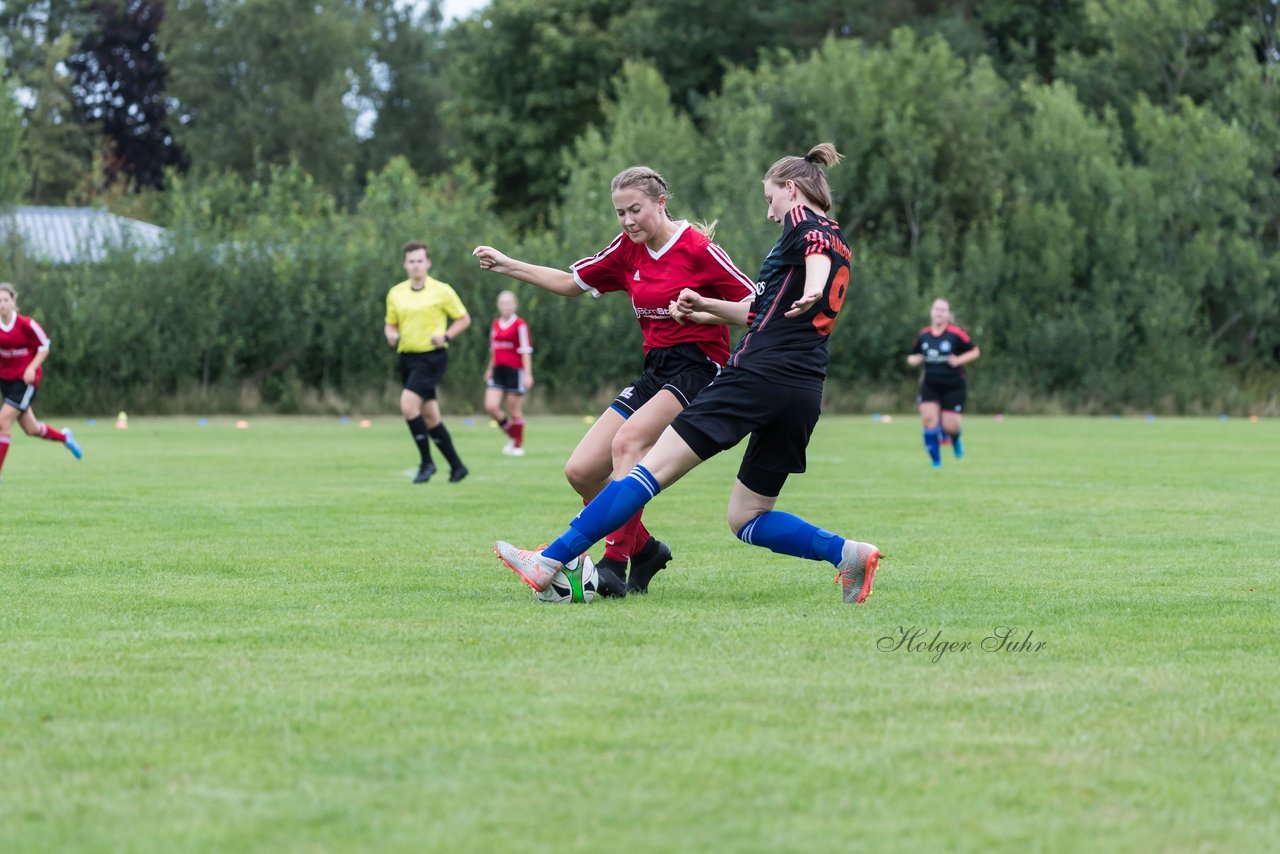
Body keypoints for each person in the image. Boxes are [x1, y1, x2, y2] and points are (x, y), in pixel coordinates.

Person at [493, 144, 883, 605]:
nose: (770, 212)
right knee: (748, 516)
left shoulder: (804, 223)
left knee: (643, 466)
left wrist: (814, 286)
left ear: (791, 190)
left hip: (752, 375)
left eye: (769, 199)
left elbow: (810, 250)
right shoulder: (839, 237)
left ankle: (558, 559)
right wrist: (704, 307)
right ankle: (849, 554)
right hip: (804, 387)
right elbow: (761, 307)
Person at [473, 166, 755, 596]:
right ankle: (646, 552)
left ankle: (614, 565)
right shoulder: (627, 248)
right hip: (656, 369)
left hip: (699, 367)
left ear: (661, 202)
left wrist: (704, 309)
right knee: (582, 471)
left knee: (628, 443)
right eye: (620, 213)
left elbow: (756, 302)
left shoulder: (698, 249)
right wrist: (509, 264)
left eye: (635, 210)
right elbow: (571, 282)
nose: (627, 221)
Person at [385, 240, 471, 484]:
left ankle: (427, 463)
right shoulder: (396, 293)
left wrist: (446, 336)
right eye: (411, 261)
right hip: (407, 357)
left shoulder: (441, 290)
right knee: (430, 417)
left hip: (431, 357)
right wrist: (390, 333)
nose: (415, 265)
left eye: (420, 261)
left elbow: (464, 319)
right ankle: (457, 466)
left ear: (428, 263)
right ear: (405, 264)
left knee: (408, 406)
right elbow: (390, 323)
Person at [0, 282, 82, 479]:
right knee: (31, 429)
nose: (1, 304)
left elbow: (44, 346)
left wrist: (31, 367)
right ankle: (65, 437)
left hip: (26, 381)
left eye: (5, 300)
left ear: (13, 302)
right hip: (7, 381)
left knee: (3, 421)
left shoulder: (27, 325)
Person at [907, 298, 980, 468]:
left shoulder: (956, 334)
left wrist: (959, 360)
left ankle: (955, 438)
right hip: (930, 384)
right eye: (936, 309)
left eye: (943, 310)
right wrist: (914, 360)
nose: (939, 312)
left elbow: (975, 351)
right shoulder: (923, 335)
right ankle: (936, 462)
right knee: (928, 420)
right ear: (931, 312)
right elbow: (911, 356)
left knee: (950, 426)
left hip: (953, 385)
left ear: (949, 314)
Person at [483, 290, 533, 456]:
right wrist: (489, 369)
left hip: (515, 371)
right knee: (491, 406)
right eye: (502, 303)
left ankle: (517, 445)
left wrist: (527, 374)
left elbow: (525, 350)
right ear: (498, 305)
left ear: (515, 304)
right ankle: (513, 435)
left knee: (513, 409)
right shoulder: (495, 324)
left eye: (508, 303)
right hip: (498, 370)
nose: (505, 306)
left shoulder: (520, 325)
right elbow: (494, 349)